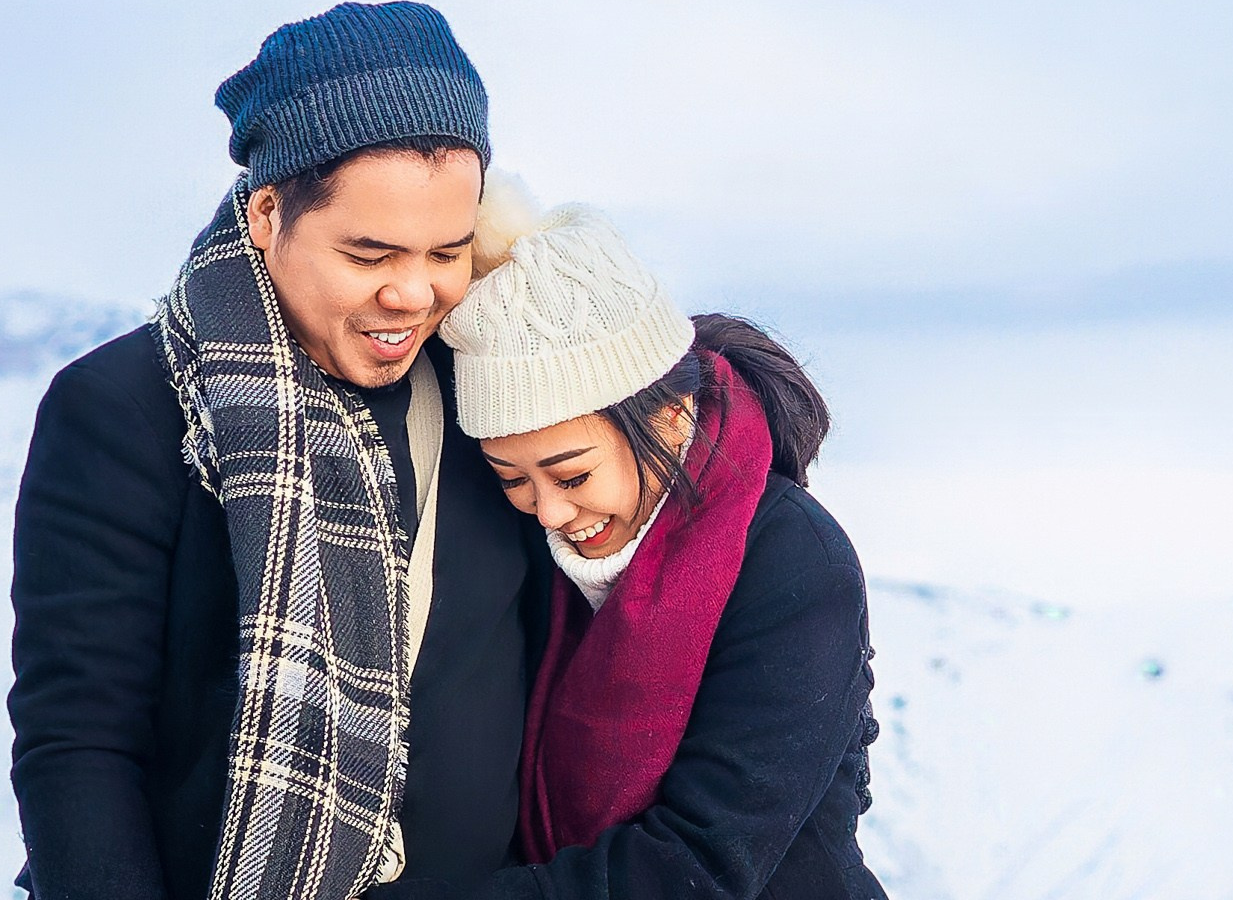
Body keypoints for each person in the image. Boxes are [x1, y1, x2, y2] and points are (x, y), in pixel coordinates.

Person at [9, 2, 539, 900]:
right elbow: (78, 743)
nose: (414, 294)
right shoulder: (128, 408)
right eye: (369, 254)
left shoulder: (493, 385)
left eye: (447, 253)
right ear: (266, 214)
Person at [364, 185, 885, 900]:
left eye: (571, 473)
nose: (549, 512)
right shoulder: (548, 559)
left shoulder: (792, 562)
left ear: (669, 420)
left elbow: (700, 862)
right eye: (512, 479)